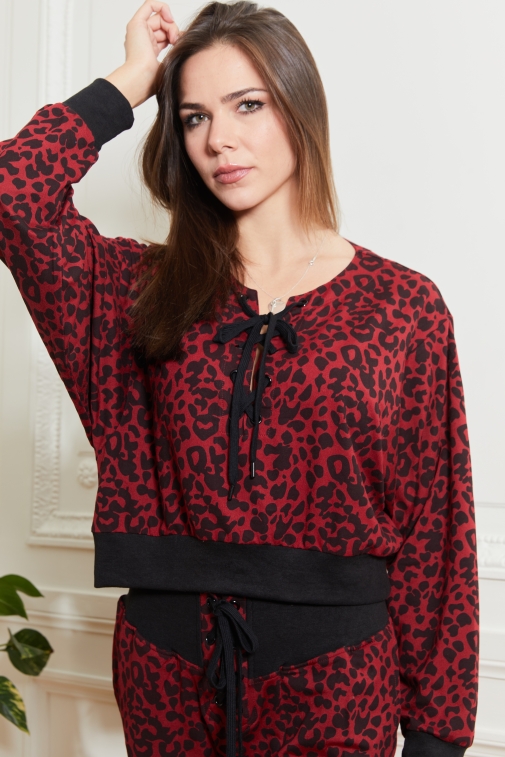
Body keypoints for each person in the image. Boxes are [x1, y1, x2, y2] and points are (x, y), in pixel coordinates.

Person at [0, 1, 479, 755]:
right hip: (164, 663)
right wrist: (132, 79)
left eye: (246, 104)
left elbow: (438, 533)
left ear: (298, 106)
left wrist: (436, 736)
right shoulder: (136, 289)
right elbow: (13, 197)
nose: (218, 138)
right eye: (193, 116)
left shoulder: (401, 305)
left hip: (338, 675)